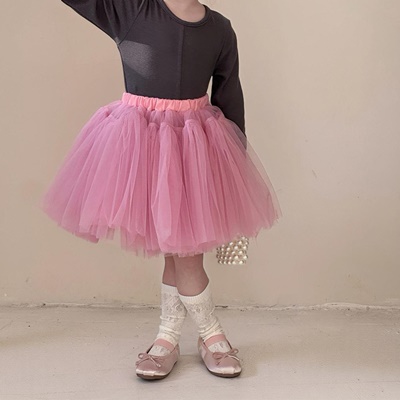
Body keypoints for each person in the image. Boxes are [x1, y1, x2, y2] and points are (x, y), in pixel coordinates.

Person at [40, 0, 283, 380]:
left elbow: (229, 95)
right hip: (143, 148)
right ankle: (206, 335)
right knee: (179, 251)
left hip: (195, 151)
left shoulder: (220, 29)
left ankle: (172, 338)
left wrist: (236, 165)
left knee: (182, 252)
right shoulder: (133, 9)